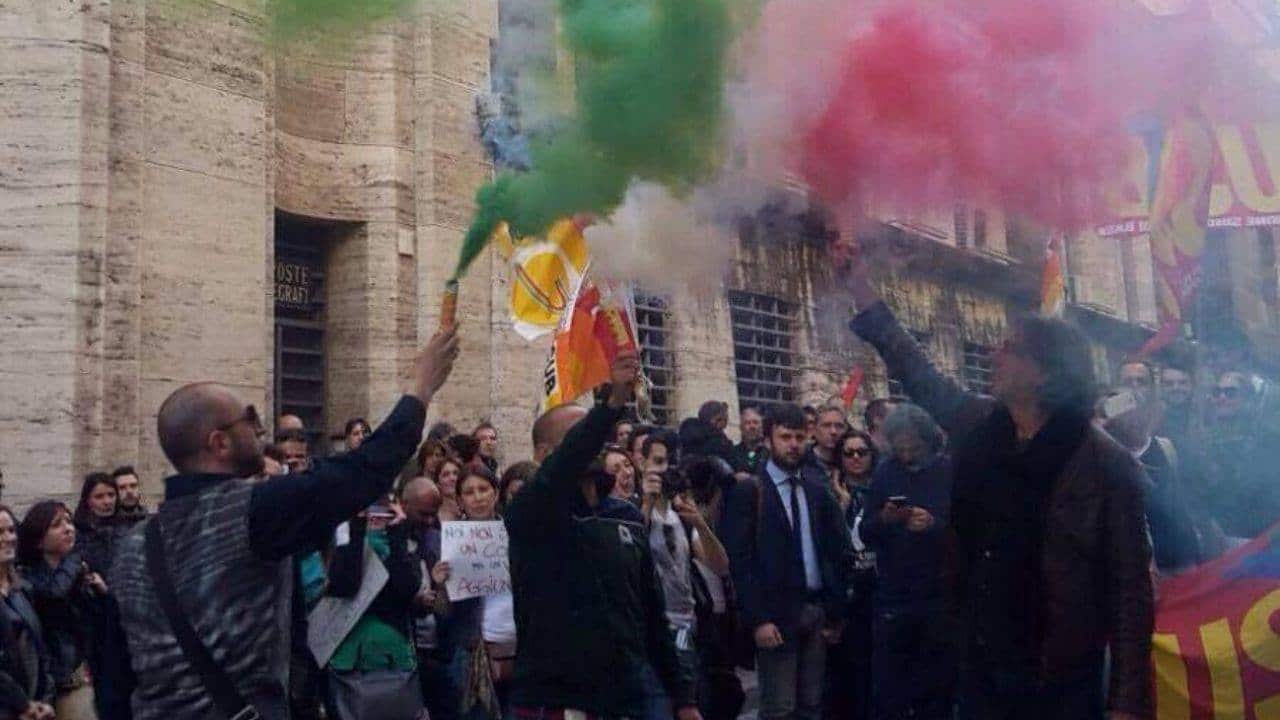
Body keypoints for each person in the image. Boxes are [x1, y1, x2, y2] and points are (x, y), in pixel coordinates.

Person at [101, 327, 458, 719]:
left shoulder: (130, 547)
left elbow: (113, 686)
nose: (260, 429)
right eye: (249, 418)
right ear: (219, 443)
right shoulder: (252, 511)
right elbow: (362, 472)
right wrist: (420, 387)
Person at [847, 262, 1153, 720]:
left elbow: (1130, 591)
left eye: (1010, 349)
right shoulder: (981, 426)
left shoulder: (1104, 463)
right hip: (980, 664)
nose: (994, 355)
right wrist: (859, 285)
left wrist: (1127, 704)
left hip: (1058, 676)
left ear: (1045, 372)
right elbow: (918, 372)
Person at [505, 353, 701, 720]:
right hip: (557, 700)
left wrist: (683, 697)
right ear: (545, 454)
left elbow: (650, 611)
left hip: (628, 695)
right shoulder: (530, 514)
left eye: (599, 435)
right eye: (580, 435)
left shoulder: (625, 517)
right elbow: (562, 468)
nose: (596, 443)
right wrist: (611, 404)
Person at [720, 404, 853, 720]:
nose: (793, 445)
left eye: (799, 437)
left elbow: (835, 549)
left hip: (816, 609)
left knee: (812, 705)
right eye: (785, 437)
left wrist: (835, 612)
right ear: (768, 440)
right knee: (780, 707)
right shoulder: (750, 490)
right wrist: (759, 619)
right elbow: (741, 561)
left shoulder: (816, 488)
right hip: (776, 615)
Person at [858, 404, 957, 720]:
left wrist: (933, 525)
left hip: (938, 596)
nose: (906, 452)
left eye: (912, 446)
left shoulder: (947, 471)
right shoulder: (885, 472)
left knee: (936, 685)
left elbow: (969, 531)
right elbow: (866, 532)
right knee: (889, 686)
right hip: (894, 595)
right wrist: (886, 519)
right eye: (899, 446)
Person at [637, 440, 730, 720]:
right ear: (642, 463)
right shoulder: (633, 510)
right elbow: (633, 551)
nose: (666, 469)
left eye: (670, 462)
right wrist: (646, 502)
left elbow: (720, 565)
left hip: (687, 627)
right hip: (653, 630)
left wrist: (700, 523)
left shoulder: (680, 516)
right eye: (659, 462)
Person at [322, 499, 424, 720]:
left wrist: (397, 535)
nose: (376, 517)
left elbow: (406, 587)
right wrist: (357, 528)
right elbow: (344, 585)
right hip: (350, 659)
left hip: (394, 658)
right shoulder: (342, 543)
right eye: (371, 510)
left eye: (383, 510)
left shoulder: (404, 546)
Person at [432, 467, 516, 720]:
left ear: (496, 493)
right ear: (460, 500)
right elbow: (443, 614)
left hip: (519, 648)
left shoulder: (514, 533)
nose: (478, 497)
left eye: (483, 489)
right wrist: (440, 584)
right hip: (472, 653)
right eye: (469, 492)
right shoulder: (451, 542)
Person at [1103, 364, 1201, 573]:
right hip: (1130, 572)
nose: (1134, 388)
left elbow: (1187, 510)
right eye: (1127, 382)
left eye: (1141, 382)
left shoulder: (1168, 448)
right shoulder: (1101, 455)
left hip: (1175, 567)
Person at [18, 501, 106, 720]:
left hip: (90, 675)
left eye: (69, 521)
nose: (68, 528)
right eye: (57, 524)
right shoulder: (28, 578)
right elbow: (54, 593)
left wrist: (102, 592)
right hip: (59, 683)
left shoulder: (78, 572)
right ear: (39, 540)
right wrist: (75, 557)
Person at [824, 429, 879, 720]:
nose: (856, 458)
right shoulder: (829, 492)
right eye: (848, 453)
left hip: (877, 589)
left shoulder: (882, 489)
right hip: (844, 588)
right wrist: (842, 505)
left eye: (862, 452)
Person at [1196, 370, 1280, 541]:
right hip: (1215, 543)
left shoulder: (1269, 442)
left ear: (1248, 400)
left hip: (1260, 542)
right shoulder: (1201, 445)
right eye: (1217, 392)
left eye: (1230, 393)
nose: (1222, 397)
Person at [0, 505, 56, 720]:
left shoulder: (22, 589)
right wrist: (22, 705)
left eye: (11, 530)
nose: (8, 538)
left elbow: (40, 647)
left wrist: (45, 700)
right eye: (0, 532)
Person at [401, 476, 446, 719]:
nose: (429, 521)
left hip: (437, 649)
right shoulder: (391, 542)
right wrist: (415, 602)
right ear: (404, 505)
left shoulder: (435, 539)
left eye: (433, 514)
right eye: (423, 514)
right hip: (406, 652)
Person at [72, 474, 120, 578]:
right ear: (87, 500)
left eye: (111, 495)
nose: (107, 502)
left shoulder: (127, 529)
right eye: (99, 497)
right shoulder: (75, 533)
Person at [806, 406, 848, 476]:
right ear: (814, 430)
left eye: (839, 426)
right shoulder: (801, 459)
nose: (833, 431)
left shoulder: (851, 460)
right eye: (826, 425)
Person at [731, 406, 766, 475]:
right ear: (741, 428)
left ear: (761, 427)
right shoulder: (732, 454)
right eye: (747, 423)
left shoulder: (770, 454)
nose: (752, 426)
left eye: (755, 422)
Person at [437, 459, 464, 523]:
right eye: (445, 475)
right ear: (438, 483)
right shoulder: (434, 517)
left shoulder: (471, 510)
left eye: (456, 473)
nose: (452, 478)